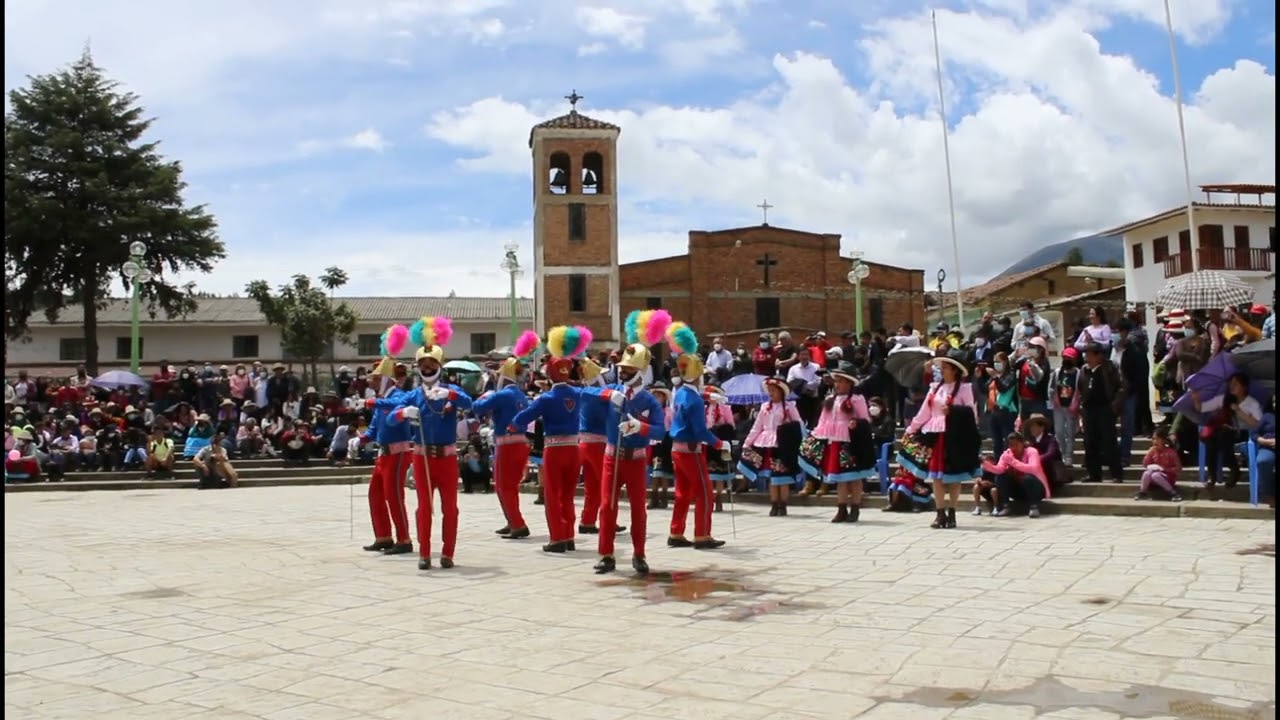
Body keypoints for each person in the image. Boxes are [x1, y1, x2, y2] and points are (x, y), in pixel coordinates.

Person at [579, 343, 665, 576]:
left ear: (640, 372)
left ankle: (639, 554)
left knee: (638, 509)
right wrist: (608, 393)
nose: (622, 372)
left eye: (628, 369)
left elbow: (660, 431)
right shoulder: (614, 389)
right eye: (622, 368)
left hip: (636, 460)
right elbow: (584, 393)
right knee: (607, 506)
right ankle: (606, 554)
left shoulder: (649, 401)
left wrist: (640, 426)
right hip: (611, 456)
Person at [389, 340, 473, 571]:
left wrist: (451, 395)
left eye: (431, 363)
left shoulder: (451, 390)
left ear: (439, 366)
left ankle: (447, 553)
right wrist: (402, 413)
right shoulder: (414, 395)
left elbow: (470, 403)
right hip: (422, 457)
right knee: (424, 507)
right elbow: (390, 418)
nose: (427, 368)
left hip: (446, 459)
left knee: (450, 508)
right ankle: (424, 553)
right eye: (423, 364)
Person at [509, 330, 586, 555]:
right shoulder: (579, 393)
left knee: (553, 494)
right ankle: (569, 535)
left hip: (554, 449)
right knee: (569, 494)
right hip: (574, 448)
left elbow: (524, 418)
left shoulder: (546, 398)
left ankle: (558, 538)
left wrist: (513, 425)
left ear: (551, 374)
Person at [665, 323, 733, 550]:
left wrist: (709, 396)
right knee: (705, 493)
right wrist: (719, 443)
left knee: (682, 493)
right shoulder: (693, 399)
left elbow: (692, 395)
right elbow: (701, 431)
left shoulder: (681, 393)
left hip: (676, 448)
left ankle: (676, 532)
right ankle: (702, 535)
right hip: (692, 450)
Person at [897, 357, 982, 529]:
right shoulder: (935, 388)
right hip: (935, 434)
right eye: (942, 367)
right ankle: (940, 512)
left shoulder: (964, 389)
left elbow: (971, 415)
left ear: (954, 370)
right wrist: (911, 429)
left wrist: (953, 411)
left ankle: (952, 511)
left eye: (946, 368)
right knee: (936, 477)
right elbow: (924, 412)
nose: (942, 370)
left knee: (955, 478)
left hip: (955, 437)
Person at [798, 370, 877, 522]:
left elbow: (866, 419)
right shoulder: (829, 400)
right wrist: (815, 436)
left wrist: (856, 423)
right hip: (834, 441)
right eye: (836, 381)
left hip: (851, 442)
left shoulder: (856, 399)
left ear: (849, 383)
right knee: (840, 478)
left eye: (841, 381)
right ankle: (841, 508)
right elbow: (823, 421)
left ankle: (855, 508)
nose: (837, 384)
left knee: (855, 477)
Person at [472, 354, 533, 540]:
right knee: (511, 486)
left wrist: (486, 394)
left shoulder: (501, 394)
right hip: (521, 443)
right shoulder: (521, 395)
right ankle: (511, 520)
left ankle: (518, 524)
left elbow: (477, 407)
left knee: (503, 486)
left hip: (506, 444)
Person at [362, 361, 414, 555]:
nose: (373, 382)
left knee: (394, 497)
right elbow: (374, 427)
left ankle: (404, 539)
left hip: (398, 453)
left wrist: (375, 402)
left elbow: (396, 405)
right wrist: (362, 438)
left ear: (385, 380)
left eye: (376, 378)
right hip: (383, 453)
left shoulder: (398, 396)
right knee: (375, 494)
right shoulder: (381, 399)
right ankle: (383, 536)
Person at [738, 377, 803, 517]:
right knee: (773, 477)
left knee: (783, 477)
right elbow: (757, 427)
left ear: (781, 392)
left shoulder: (789, 407)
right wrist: (748, 443)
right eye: (770, 391)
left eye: (774, 390)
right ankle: (774, 504)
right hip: (766, 443)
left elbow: (798, 425)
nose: (771, 393)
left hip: (783, 444)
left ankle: (783, 505)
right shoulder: (765, 407)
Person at [1190, 372, 1263, 488]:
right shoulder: (1225, 399)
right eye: (1231, 384)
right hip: (1226, 431)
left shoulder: (1252, 403)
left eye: (1236, 384)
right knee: (1212, 437)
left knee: (1222, 436)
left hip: (1244, 434)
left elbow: (1257, 424)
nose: (1232, 386)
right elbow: (1201, 408)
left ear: (1244, 387)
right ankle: (1212, 474)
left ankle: (1234, 469)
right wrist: (1196, 399)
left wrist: (1238, 411)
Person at [574, 357, 619, 535]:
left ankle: (588, 521)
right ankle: (608, 520)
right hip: (598, 443)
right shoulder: (599, 395)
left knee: (592, 486)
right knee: (606, 484)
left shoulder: (585, 392)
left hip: (584, 442)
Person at [1073, 344, 1125, 483]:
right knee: (1090, 443)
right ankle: (1094, 474)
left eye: (1089, 354)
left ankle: (1116, 473)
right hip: (1089, 410)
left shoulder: (1110, 368)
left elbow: (1120, 387)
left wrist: (1114, 407)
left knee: (1109, 441)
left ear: (1098, 355)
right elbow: (1080, 388)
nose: (1086, 357)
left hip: (1105, 409)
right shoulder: (1084, 370)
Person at [981, 431, 1050, 517]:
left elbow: (1033, 468)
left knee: (1027, 478)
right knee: (1001, 476)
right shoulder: (1007, 454)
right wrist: (984, 463)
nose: (1013, 448)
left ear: (1022, 443)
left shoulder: (1031, 451)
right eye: (1011, 445)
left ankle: (1034, 507)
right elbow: (999, 470)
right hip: (1018, 491)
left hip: (1036, 489)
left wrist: (1013, 462)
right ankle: (1006, 506)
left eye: (1016, 444)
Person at [702, 385, 737, 512]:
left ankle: (719, 498)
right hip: (708, 442)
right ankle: (711, 498)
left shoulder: (725, 408)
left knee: (720, 474)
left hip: (720, 440)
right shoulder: (704, 409)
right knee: (711, 473)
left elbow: (731, 425)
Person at [1135, 427, 1182, 502]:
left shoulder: (1170, 452)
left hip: (1167, 478)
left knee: (1155, 475)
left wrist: (1164, 469)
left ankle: (1173, 493)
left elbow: (1178, 469)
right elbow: (1145, 464)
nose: (1155, 441)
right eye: (1153, 439)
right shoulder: (1153, 451)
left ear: (1163, 440)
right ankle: (1143, 492)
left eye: (1157, 439)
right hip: (1153, 477)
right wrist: (1149, 454)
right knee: (1146, 473)